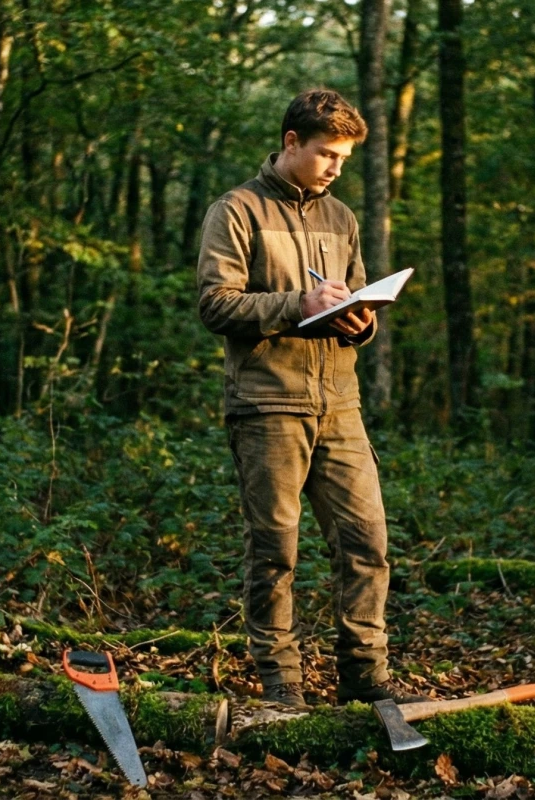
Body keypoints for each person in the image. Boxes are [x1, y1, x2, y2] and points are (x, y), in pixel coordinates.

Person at [196, 88, 421, 708]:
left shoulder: (341, 217)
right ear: (291, 142)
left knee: (367, 542)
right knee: (276, 550)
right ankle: (282, 683)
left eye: (344, 159)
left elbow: (352, 295)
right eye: (327, 154)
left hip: (339, 402)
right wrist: (300, 304)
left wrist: (360, 320)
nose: (336, 168)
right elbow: (216, 305)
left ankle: (365, 676)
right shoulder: (236, 210)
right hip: (268, 403)